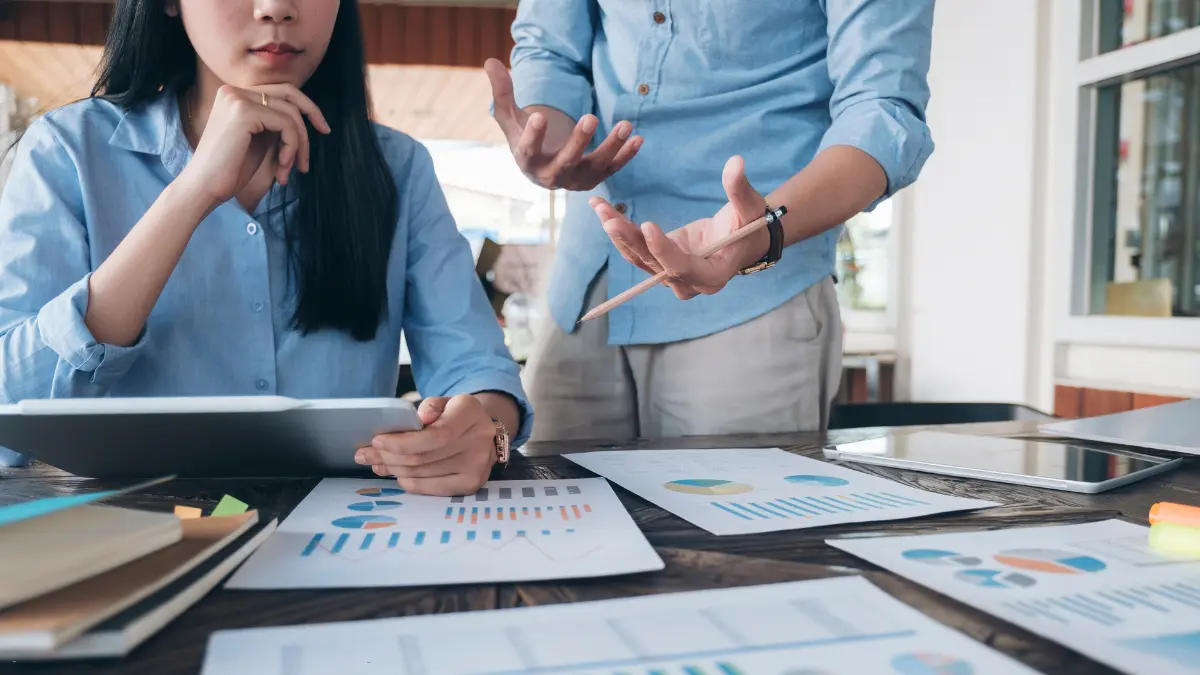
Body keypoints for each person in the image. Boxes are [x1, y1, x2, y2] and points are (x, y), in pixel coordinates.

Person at [0, 0, 530, 495]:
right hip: (129, 532)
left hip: (345, 534)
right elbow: (12, 405)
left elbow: (477, 367)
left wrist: (484, 427)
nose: (276, 7)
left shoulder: (397, 168)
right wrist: (192, 191)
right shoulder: (67, 151)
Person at [487, 1, 934, 441]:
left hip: (753, 300)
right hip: (584, 290)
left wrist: (760, 231)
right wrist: (552, 141)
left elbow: (881, 111)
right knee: (565, 505)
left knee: (739, 512)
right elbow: (550, 50)